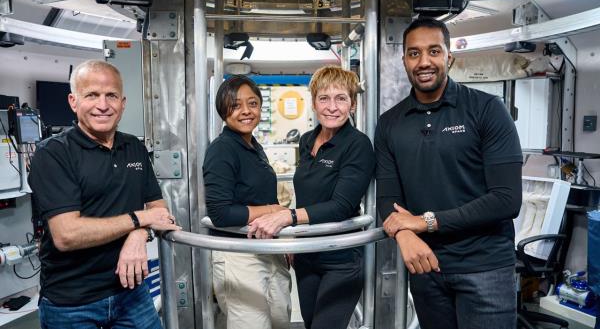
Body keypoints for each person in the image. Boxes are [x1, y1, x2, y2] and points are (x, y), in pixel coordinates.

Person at [374, 18, 523, 329]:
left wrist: (425, 222)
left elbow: (506, 200)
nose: (424, 62)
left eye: (433, 51)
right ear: (403, 60)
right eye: (413, 53)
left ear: (449, 57)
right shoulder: (390, 123)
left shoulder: (487, 109)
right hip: (427, 265)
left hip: (485, 269)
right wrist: (403, 233)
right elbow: (389, 198)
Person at [28, 60, 180, 329]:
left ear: (123, 103)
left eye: (111, 95)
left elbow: (159, 211)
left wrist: (138, 234)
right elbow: (67, 235)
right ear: (73, 102)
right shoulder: (53, 153)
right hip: (73, 305)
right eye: (92, 95)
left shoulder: (134, 147)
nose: (103, 105)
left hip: (132, 294)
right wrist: (139, 219)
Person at [250, 65, 375, 329]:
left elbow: (341, 206)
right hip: (306, 255)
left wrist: (289, 217)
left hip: (340, 259)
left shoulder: (358, 144)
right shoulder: (307, 140)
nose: (332, 107)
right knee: (310, 324)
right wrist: (298, 238)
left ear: (352, 104)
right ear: (314, 102)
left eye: (341, 98)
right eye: (324, 98)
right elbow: (308, 194)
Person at [202, 75, 291, 329]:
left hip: (267, 248)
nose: (246, 111)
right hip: (238, 254)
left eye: (252, 103)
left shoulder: (253, 145)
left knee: (280, 319)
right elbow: (220, 213)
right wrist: (274, 211)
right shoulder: (222, 149)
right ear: (223, 109)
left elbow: (263, 194)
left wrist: (282, 240)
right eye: (236, 105)